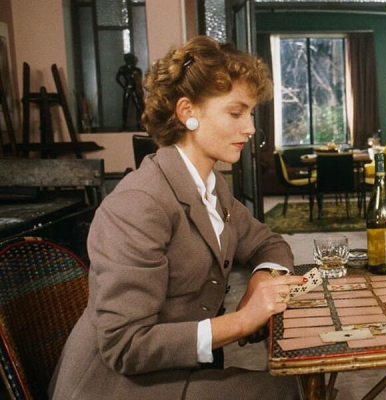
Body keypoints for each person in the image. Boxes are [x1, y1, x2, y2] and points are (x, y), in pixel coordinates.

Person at [49, 36, 305, 400]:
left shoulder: (211, 185)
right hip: (115, 387)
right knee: (279, 392)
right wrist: (241, 322)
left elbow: (268, 242)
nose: (249, 128)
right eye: (236, 113)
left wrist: (262, 281)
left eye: (250, 113)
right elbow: (124, 346)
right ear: (188, 112)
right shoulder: (139, 204)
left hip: (172, 371)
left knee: (290, 384)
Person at [115, 52, 145, 130]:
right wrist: (124, 86)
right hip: (127, 88)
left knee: (138, 106)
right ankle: (124, 124)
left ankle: (140, 124)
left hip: (134, 89)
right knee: (125, 106)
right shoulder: (123, 69)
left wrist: (140, 90)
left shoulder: (136, 70)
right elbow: (117, 78)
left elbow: (139, 81)